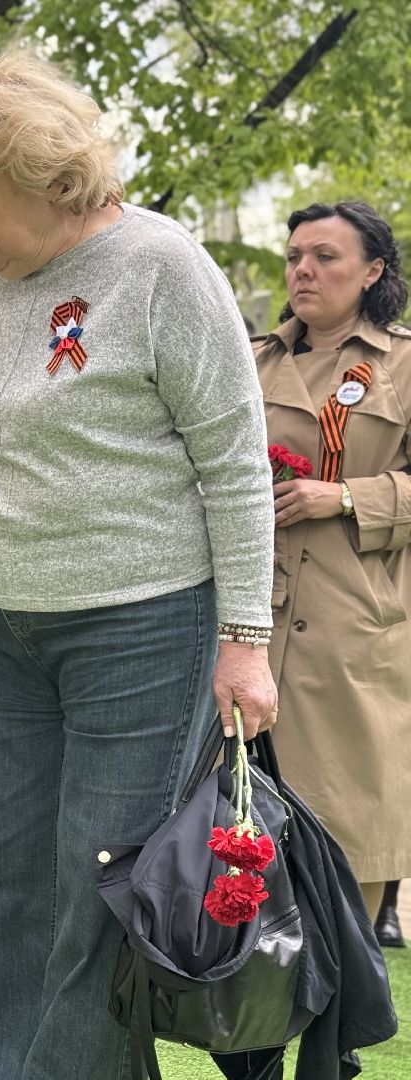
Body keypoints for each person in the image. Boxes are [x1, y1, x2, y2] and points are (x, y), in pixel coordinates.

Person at [0, 52, 277, 1080]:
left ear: (50, 176)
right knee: (3, 878)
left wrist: (246, 640)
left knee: (97, 885)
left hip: (142, 625)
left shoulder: (162, 268)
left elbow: (235, 466)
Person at [253, 200, 411, 925]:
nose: (304, 271)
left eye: (325, 256)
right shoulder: (253, 359)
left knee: (353, 822)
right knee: (239, 820)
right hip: (250, 618)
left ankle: (340, 1025)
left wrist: (346, 496)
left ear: (373, 269)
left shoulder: (402, 365)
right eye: (294, 257)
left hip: (355, 627)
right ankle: (250, 1018)